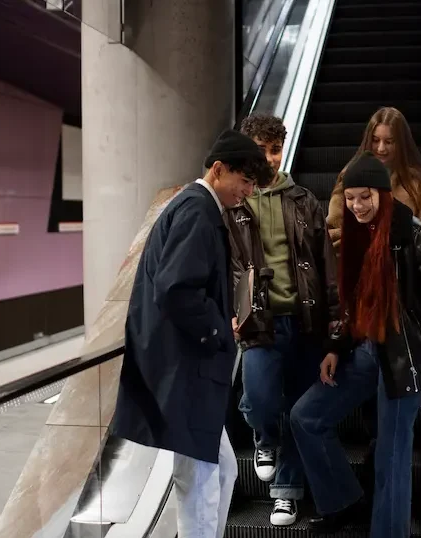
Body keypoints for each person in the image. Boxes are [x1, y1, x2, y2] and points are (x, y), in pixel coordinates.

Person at [290, 152, 421, 536]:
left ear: (382, 195)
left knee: (391, 457)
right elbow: (349, 302)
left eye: (365, 197)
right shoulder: (355, 237)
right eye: (351, 198)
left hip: (401, 357)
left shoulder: (410, 231)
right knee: (305, 417)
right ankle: (342, 499)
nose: (357, 206)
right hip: (365, 351)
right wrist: (335, 347)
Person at [110, 129, 273, 538]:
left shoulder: (192, 207)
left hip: (182, 371)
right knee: (202, 483)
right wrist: (220, 326)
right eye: (245, 181)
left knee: (221, 473)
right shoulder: (198, 210)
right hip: (184, 373)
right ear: (218, 170)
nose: (248, 192)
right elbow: (177, 288)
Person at [224, 113, 340, 526]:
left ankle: (286, 494)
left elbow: (326, 265)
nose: (270, 159)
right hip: (259, 322)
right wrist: (229, 313)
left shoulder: (304, 200)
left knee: (296, 406)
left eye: (275, 150)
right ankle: (262, 436)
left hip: (305, 320)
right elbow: (225, 266)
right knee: (260, 399)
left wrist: (332, 330)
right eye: (261, 150)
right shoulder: (234, 200)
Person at [327, 106, 421, 287]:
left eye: (389, 141)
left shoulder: (416, 181)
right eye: (375, 140)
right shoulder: (351, 176)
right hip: (362, 278)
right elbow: (335, 228)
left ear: (401, 143)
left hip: (408, 277)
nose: (381, 148)